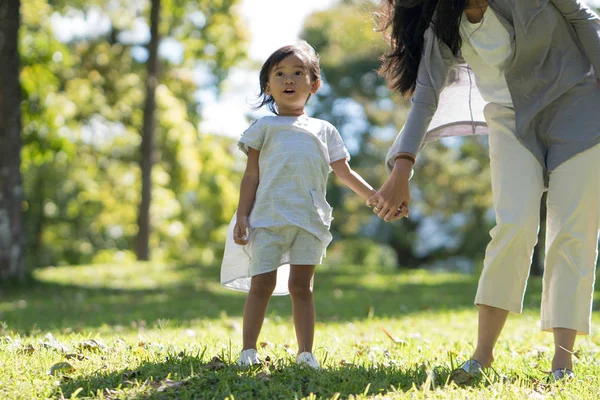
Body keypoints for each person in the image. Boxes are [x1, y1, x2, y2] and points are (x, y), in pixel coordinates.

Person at [369, 0, 600, 383]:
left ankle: (563, 365)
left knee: (573, 232)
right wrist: (401, 168)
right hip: (510, 119)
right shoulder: (442, 24)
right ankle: (482, 355)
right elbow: (427, 96)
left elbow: (582, 16)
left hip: (577, 106)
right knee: (514, 225)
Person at [220, 42, 407, 369]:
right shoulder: (263, 128)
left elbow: (344, 173)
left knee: (301, 286)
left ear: (314, 84)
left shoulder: (324, 130)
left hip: (309, 221)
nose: (288, 79)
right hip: (267, 220)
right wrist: (243, 215)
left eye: (297, 73)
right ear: (268, 85)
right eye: (279, 74)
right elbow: (251, 176)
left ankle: (305, 353)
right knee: (261, 284)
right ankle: (247, 350)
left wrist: (375, 196)